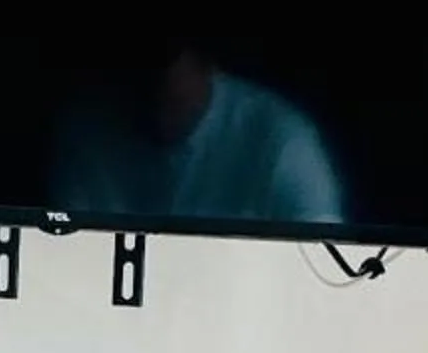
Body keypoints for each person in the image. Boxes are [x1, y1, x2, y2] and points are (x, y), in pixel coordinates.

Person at [51, 40, 346, 229]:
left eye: (165, 71)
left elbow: (324, 265)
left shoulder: (283, 143)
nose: (155, 104)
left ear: (207, 67)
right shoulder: (87, 136)